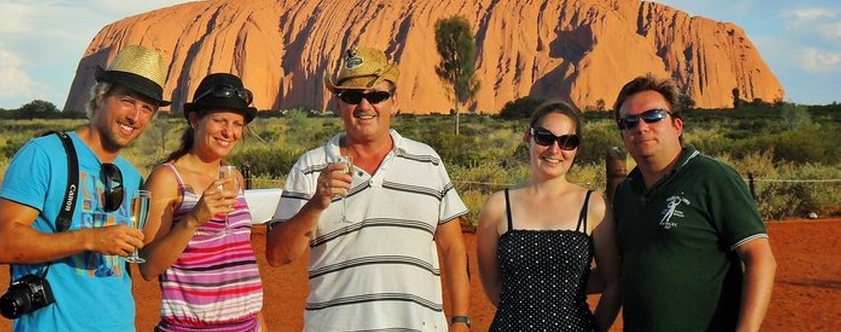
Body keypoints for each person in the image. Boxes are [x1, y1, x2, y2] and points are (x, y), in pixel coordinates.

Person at [266, 46, 471, 331]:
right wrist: (316, 203)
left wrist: (461, 320)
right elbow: (277, 255)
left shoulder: (428, 161)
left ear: (394, 101)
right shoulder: (310, 167)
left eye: (377, 95)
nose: (365, 106)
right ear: (337, 104)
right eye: (352, 97)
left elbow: (453, 248)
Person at [0, 44, 171, 331]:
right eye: (127, 100)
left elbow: (147, 261)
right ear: (101, 96)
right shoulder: (44, 155)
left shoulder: (132, 177)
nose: (135, 117)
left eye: (146, 108)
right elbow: (2, 245)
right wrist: (90, 239)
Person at [612, 74, 776, 332]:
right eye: (629, 122)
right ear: (623, 135)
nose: (641, 127)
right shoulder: (625, 193)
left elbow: (759, 258)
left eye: (653, 116)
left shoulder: (713, 177)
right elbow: (621, 270)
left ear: (677, 125)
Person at [476, 100, 621, 331]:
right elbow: (493, 285)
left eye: (567, 141)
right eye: (544, 137)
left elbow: (612, 282)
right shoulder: (498, 206)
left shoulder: (593, 205)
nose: (555, 150)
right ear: (528, 138)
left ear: (577, 149)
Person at [139, 73, 267, 332]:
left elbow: (238, 261)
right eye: (220, 120)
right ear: (195, 120)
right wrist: (194, 219)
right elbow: (148, 266)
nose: (229, 132)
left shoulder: (234, 178)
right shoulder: (167, 178)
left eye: (237, 124)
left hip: (247, 325)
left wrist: (260, 325)